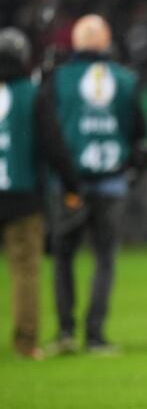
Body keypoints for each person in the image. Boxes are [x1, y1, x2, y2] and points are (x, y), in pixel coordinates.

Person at [48, 14, 147, 353]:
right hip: (111, 182)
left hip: (68, 184)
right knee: (105, 257)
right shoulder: (125, 79)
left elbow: (49, 132)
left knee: (63, 256)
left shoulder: (58, 79)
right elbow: (139, 133)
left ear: (75, 42)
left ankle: (64, 332)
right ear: (105, 41)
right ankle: (95, 335)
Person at [0, 27, 81, 359]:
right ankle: (26, 342)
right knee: (26, 271)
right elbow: (53, 145)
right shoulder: (33, 94)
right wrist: (72, 184)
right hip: (23, 196)